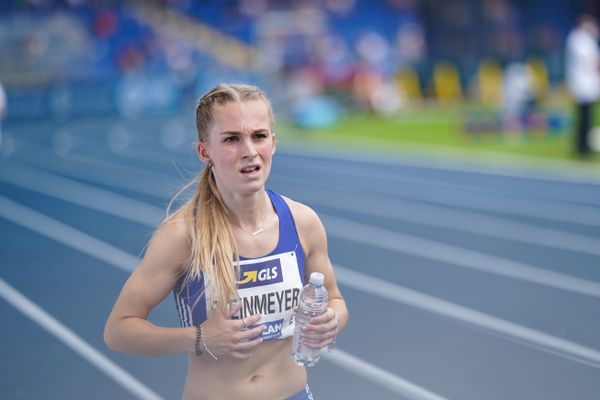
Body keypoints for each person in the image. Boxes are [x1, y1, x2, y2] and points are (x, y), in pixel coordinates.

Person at [104, 83, 348, 399]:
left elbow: (335, 301)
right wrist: (200, 338)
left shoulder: (303, 222)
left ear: (273, 143)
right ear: (205, 152)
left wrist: (330, 322)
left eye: (259, 136)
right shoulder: (182, 235)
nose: (249, 150)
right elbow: (119, 331)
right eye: (231, 139)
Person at [566, 14, 600, 156]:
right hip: (583, 83)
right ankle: (581, 147)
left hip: (587, 83)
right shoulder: (578, 39)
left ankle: (584, 145)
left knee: (587, 116)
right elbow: (592, 62)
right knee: (584, 117)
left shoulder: (585, 39)